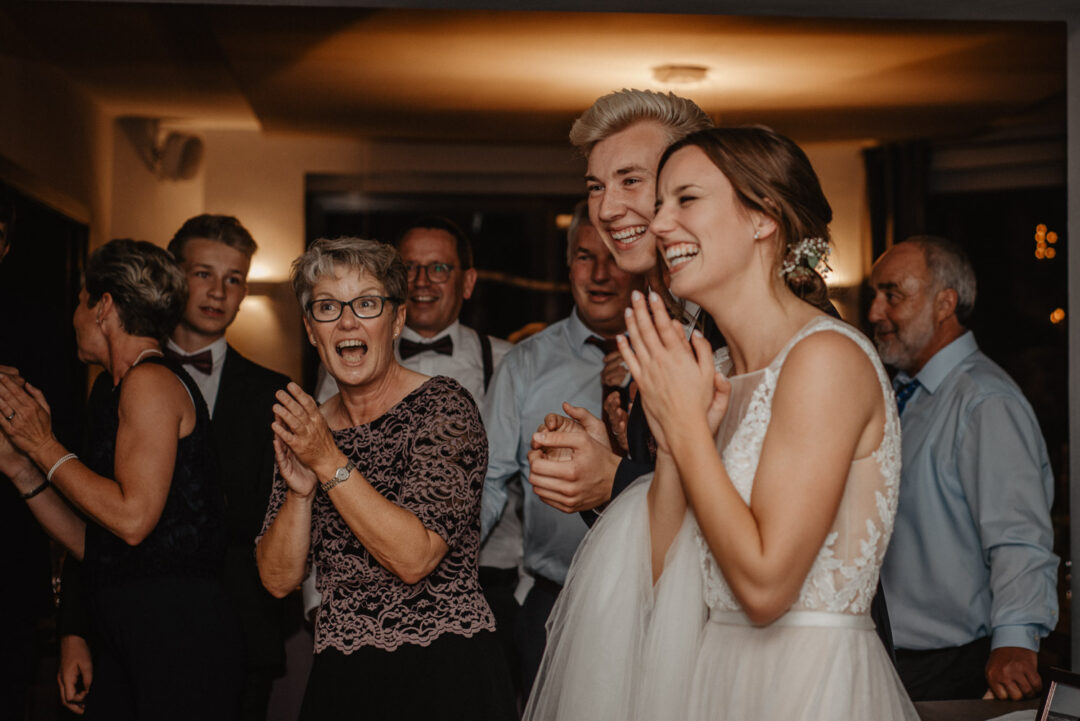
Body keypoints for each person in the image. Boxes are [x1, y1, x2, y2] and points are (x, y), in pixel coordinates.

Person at [523, 127, 918, 721]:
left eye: (685, 199)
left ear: (762, 218)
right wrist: (674, 442)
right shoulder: (718, 370)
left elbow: (764, 590)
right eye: (660, 204)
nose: (659, 224)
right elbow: (661, 576)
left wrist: (684, 428)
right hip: (711, 680)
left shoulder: (826, 359)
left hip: (807, 687)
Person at [255, 237, 515, 720]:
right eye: (327, 307)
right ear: (311, 330)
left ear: (396, 320)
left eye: (367, 304)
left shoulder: (444, 408)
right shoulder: (309, 427)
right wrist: (299, 494)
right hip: (342, 677)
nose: (347, 322)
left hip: (443, 674)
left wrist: (326, 460)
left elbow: (415, 558)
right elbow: (277, 580)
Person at [56, 215, 290, 719]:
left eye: (234, 279)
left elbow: (281, 519)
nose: (218, 292)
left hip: (238, 630)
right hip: (123, 628)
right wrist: (74, 629)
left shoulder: (275, 394)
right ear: (173, 277)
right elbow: (91, 507)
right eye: (203, 273)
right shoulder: (111, 384)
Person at [0, 238, 243, 721]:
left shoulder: (150, 382)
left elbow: (132, 520)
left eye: (80, 301)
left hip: (179, 639)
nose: (74, 316)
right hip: (127, 636)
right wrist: (21, 466)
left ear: (104, 306)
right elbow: (96, 544)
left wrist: (44, 444)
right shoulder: (111, 392)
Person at [871, 237, 1058, 702]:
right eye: (875, 295)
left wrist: (1015, 639)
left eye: (892, 295)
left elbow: (1018, 534)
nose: (875, 312)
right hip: (890, 656)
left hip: (950, 667)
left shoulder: (984, 401)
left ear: (945, 304)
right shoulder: (902, 394)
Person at [481, 202, 640, 695]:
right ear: (569, 265)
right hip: (552, 602)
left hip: (656, 604)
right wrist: (432, 561)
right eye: (585, 257)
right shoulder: (524, 364)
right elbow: (486, 484)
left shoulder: (680, 357)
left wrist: (645, 385)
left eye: (614, 257)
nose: (600, 274)